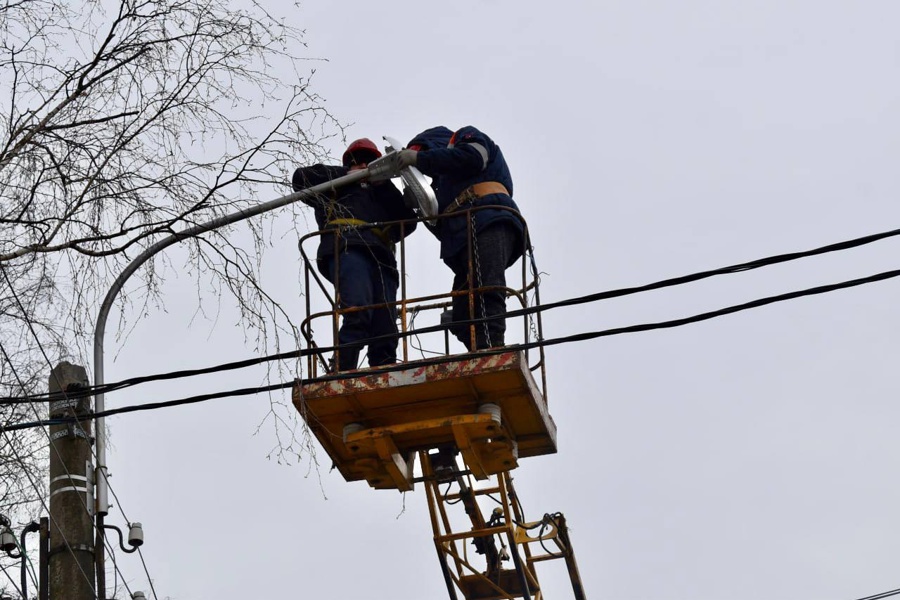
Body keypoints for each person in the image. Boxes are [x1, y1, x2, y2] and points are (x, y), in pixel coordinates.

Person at [369, 126, 524, 351]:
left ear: (435, 144)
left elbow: (473, 159)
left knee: (487, 285)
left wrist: (418, 157)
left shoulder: (466, 138)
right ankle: (479, 347)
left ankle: (493, 346)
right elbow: (441, 227)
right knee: (462, 313)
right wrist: (421, 206)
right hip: (466, 234)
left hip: (490, 217)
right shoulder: (444, 185)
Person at [292, 138, 417, 371]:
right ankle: (343, 368)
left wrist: (381, 182)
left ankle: (384, 371)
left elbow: (408, 222)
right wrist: (349, 174)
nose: (365, 165)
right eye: (359, 160)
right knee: (358, 311)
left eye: (370, 161)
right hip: (347, 247)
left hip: (382, 257)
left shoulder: (383, 191)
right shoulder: (335, 184)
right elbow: (300, 179)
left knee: (386, 326)